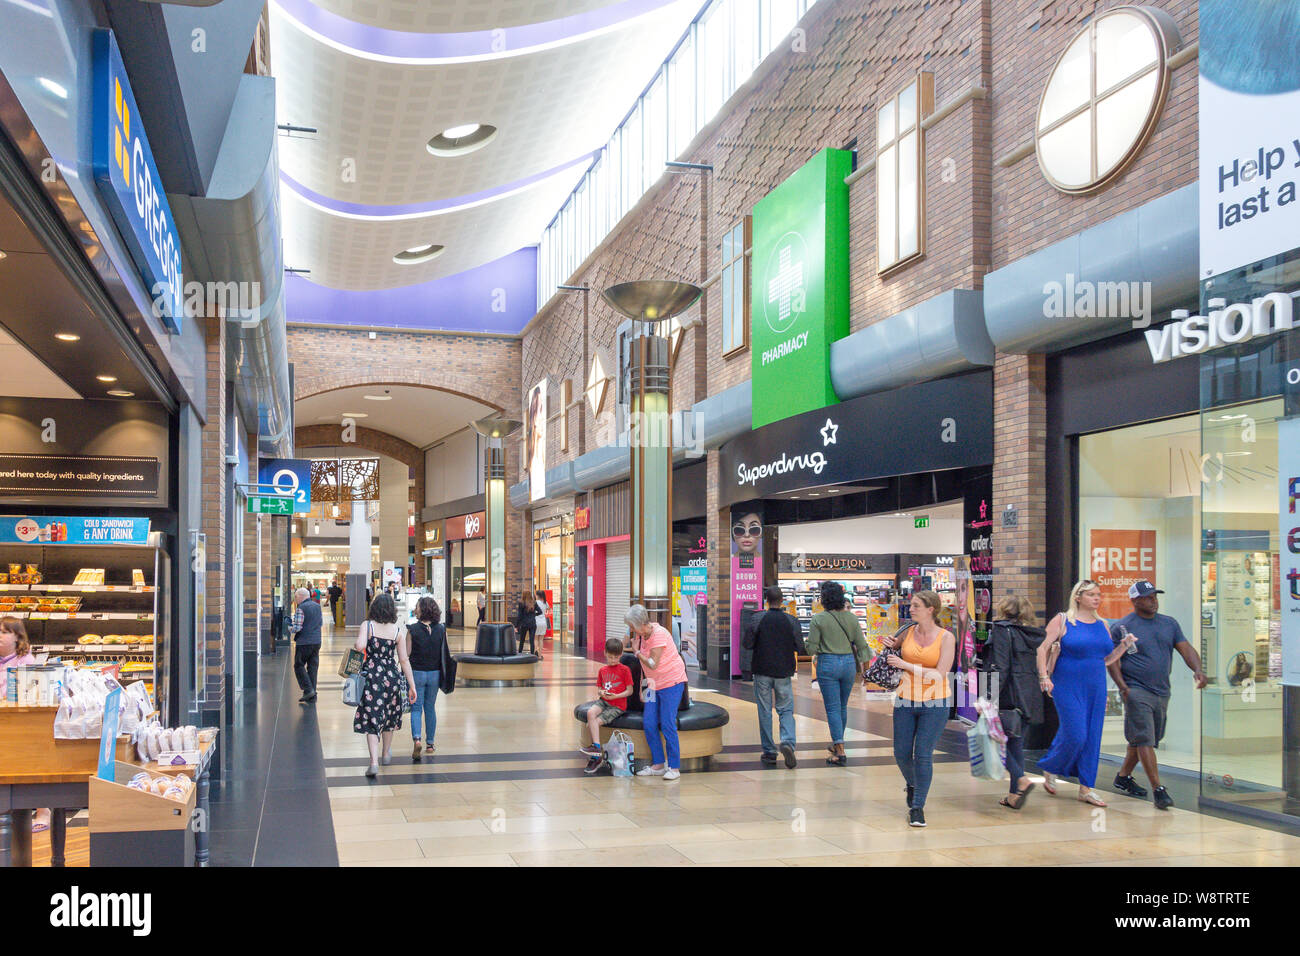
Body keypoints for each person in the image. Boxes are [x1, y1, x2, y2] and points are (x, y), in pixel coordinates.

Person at [1107, 579, 1207, 810]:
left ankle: (1123, 777)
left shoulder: (1169, 624)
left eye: (1155, 596)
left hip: (1162, 691)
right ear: (1134, 601)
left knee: (1146, 738)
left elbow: (1185, 648)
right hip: (1136, 690)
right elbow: (1112, 661)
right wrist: (1123, 687)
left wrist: (1198, 670)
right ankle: (1158, 790)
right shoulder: (1122, 627)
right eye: (1147, 597)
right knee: (1144, 738)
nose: (1153, 601)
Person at [1037, 579, 1136, 807]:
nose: (1097, 598)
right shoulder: (1063, 620)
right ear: (1078, 597)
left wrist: (1123, 646)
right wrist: (1044, 677)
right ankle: (1051, 765)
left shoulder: (1103, 625)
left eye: (1099, 594)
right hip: (1066, 682)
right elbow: (1042, 649)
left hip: (1096, 684)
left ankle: (1086, 788)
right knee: (1076, 733)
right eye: (1091, 594)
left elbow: (1106, 659)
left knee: (1092, 735)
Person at [882, 590, 956, 827]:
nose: (911, 609)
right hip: (905, 698)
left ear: (930, 609)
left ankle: (917, 807)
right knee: (901, 752)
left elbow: (940, 674)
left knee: (923, 754)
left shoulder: (946, 638)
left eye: (915, 606)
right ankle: (913, 784)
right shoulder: (908, 631)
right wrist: (892, 645)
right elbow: (898, 648)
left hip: (935, 701)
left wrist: (905, 664)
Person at [986, 595, 1047, 810]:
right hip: (1028, 694)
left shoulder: (1003, 630)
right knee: (1015, 743)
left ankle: (1021, 778)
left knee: (991, 741)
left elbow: (1001, 666)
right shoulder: (1032, 634)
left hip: (1008, 693)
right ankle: (1014, 795)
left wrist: (988, 697)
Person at [353, 593, 418, 777]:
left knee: (372, 717)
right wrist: (411, 685)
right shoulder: (397, 631)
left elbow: (359, 646)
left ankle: (373, 762)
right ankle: (386, 752)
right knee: (390, 716)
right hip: (392, 677)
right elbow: (404, 660)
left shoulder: (368, 626)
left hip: (372, 677)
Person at [805, 580, 868, 766]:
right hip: (849, 664)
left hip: (828, 664)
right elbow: (862, 647)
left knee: (832, 708)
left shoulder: (818, 619)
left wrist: (808, 645)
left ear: (824, 599)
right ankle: (837, 742)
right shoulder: (852, 618)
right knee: (842, 706)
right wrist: (866, 671)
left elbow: (811, 649)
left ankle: (840, 750)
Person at [743, 584, 804, 768]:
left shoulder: (757, 619)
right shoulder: (792, 621)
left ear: (766, 601)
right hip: (784, 671)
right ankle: (787, 742)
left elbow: (747, 644)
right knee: (785, 709)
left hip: (762, 670)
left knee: (764, 710)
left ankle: (769, 752)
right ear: (782, 600)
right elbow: (800, 647)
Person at [627, 604, 687, 780]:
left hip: (671, 683)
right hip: (652, 684)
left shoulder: (659, 634)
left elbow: (653, 663)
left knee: (668, 723)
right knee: (649, 722)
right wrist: (641, 688)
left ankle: (674, 767)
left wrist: (637, 652)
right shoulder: (641, 635)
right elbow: (644, 669)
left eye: (632, 626)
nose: (631, 629)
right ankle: (658, 764)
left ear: (640, 623)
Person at [0, 617, 47, 832]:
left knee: (33, 763)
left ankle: (42, 811)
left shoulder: (25, 662)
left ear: (17, 637)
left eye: (4, 632)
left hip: (20, 724)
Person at [578, 638, 635, 774]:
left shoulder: (625, 670)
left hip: (617, 706)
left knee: (593, 723)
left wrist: (616, 696)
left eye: (616, 657)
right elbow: (600, 689)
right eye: (610, 657)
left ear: (621, 654)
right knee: (590, 713)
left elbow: (630, 690)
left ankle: (596, 758)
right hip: (604, 701)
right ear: (605, 653)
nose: (613, 660)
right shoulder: (603, 670)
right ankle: (596, 748)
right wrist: (602, 692)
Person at [407, 596, 446, 760]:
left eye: (417, 607)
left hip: (417, 673)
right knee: (430, 708)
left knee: (416, 708)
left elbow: (406, 654)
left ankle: (417, 740)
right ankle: (430, 744)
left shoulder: (412, 629)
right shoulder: (441, 629)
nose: (415, 609)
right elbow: (444, 653)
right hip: (435, 674)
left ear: (422, 610)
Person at [287, 587, 323, 703]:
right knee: (313, 667)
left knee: (299, 665)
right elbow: (320, 623)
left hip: (304, 642)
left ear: (300, 597)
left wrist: (289, 627)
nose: (295, 599)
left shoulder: (301, 608)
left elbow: (297, 628)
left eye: (296, 597)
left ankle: (308, 690)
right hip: (317, 641)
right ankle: (312, 695)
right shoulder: (317, 606)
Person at [516, 589, 541, 658]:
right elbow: (540, 612)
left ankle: (520, 654)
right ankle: (532, 654)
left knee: (522, 640)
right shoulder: (534, 602)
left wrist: (517, 625)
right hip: (532, 623)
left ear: (523, 595)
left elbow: (519, 616)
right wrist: (534, 615)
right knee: (531, 640)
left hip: (524, 624)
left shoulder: (521, 603)